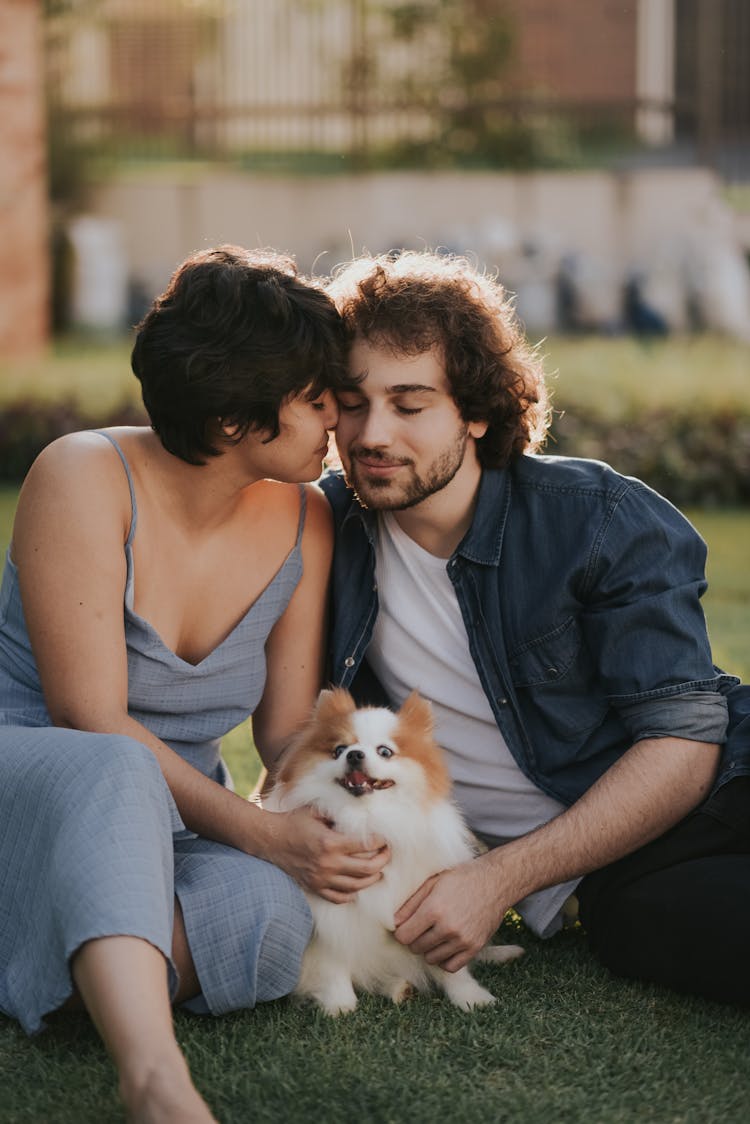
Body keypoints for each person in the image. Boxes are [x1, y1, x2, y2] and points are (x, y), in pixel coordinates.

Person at [0, 245, 389, 1122]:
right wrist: (260, 830)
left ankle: (69, 962)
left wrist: (346, 817)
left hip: (177, 823)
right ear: (233, 420)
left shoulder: (306, 517)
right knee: (119, 765)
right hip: (41, 779)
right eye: (315, 395)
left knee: (273, 907)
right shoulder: (82, 474)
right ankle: (155, 1078)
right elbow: (88, 716)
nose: (337, 415)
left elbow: (287, 728)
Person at [320, 249, 750, 1006]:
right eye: (353, 402)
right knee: (663, 932)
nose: (371, 434)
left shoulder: (596, 519)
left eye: (410, 404)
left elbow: (683, 743)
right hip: (627, 875)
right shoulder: (323, 536)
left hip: (728, 779)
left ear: (477, 411)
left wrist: (497, 881)